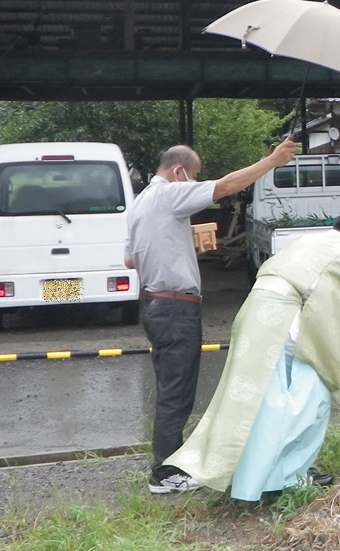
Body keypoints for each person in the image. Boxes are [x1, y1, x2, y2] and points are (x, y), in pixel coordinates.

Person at [164, 194, 340, 502]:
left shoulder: (309, 240)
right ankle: (286, 479)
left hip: (255, 317)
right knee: (310, 402)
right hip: (282, 322)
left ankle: (253, 479)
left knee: (259, 405)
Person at [124, 139, 296, 494]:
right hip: (175, 309)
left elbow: (129, 260)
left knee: (171, 388)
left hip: (156, 305)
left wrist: (179, 238)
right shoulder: (170, 194)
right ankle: (164, 472)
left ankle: (168, 465)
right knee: (177, 393)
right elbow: (226, 186)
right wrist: (271, 160)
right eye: (193, 176)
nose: (194, 182)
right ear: (177, 172)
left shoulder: (142, 202)